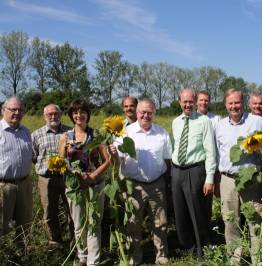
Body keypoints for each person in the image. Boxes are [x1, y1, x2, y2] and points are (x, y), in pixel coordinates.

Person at [110, 98, 171, 265]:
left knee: (160, 221)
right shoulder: (125, 133)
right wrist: (113, 153)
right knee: (133, 223)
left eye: (149, 112)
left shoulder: (162, 133)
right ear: (136, 113)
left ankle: (161, 254)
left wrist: (166, 181)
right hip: (133, 185)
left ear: (154, 113)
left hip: (157, 183)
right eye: (142, 112)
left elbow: (167, 160)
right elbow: (117, 161)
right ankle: (135, 255)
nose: (146, 115)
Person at [215, 88, 262, 265]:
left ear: (243, 103)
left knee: (255, 221)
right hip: (228, 180)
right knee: (230, 221)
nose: (234, 106)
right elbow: (217, 153)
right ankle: (235, 259)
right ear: (225, 105)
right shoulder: (220, 125)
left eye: (237, 102)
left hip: (251, 179)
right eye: (230, 103)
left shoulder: (256, 121)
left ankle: (258, 259)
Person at [59, 99, 111, 266]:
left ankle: (93, 261)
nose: (78, 115)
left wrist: (93, 175)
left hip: (95, 185)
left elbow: (107, 160)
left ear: (88, 115)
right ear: (71, 116)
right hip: (74, 187)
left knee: (94, 223)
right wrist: (66, 159)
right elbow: (60, 162)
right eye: (75, 112)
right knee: (78, 224)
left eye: (82, 112)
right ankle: (82, 256)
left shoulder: (96, 135)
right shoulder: (65, 137)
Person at [171, 88, 217, 258]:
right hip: (177, 171)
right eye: (185, 101)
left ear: (196, 101)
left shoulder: (204, 121)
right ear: (180, 102)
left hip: (195, 171)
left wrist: (210, 178)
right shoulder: (176, 122)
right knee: (180, 211)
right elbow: (175, 147)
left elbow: (210, 151)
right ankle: (187, 246)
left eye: (191, 101)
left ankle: (202, 249)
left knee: (197, 212)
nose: (188, 104)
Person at [32, 104, 73, 248]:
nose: (53, 116)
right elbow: (33, 156)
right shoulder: (36, 135)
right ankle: (55, 241)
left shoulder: (70, 131)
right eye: (49, 114)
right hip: (46, 179)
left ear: (60, 115)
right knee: (49, 212)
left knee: (72, 209)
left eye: (56, 113)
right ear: (44, 116)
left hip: (68, 177)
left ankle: (75, 239)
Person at [0, 96, 32, 251]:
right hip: (3, 186)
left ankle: (23, 254)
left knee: (25, 223)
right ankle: (5, 256)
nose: (17, 112)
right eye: (13, 109)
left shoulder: (26, 131)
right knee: (3, 224)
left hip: (24, 184)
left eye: (20, 110)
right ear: (3, 110)